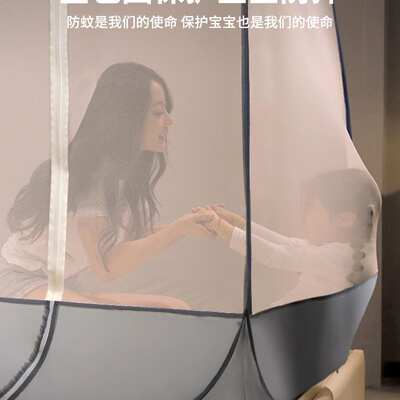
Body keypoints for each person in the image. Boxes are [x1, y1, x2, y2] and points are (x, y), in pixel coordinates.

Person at [0, 62, 214, 309]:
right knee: (106, 318)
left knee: (175, 308)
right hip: (18, 281)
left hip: (62, 283)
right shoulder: (93, 176)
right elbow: (106, 267)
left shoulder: (120, 173)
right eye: (158, 113)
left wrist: (188, 226)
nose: (168, 121)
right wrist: (178, 230)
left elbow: (129, 235)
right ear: (127, 117)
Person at [194, 168, 381, 308]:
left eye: (312, 209)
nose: (305, 215)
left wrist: (219, 226)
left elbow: (277, 255)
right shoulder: (342, 252)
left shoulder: (340, 258)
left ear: (344, 219)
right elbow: (286, 244)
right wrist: (237, 222)